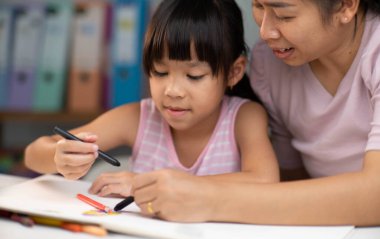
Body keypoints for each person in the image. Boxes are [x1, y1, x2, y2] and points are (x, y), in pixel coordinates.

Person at [127, 0, 380, 225]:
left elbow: (375, 196)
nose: (265, 32)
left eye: (284, 15)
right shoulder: (271, 62)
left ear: (346, 6)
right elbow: (290, 179)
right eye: (259, 6)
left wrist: (208, 198)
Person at [24, 0, 279, 200]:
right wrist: (59, 157)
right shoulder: (139, 117)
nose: (173, 90)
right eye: (160, 72)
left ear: (233, 72)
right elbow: (33, 154)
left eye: (194, 75)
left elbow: (265, 180)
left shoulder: (243, 117)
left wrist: (152, 183)